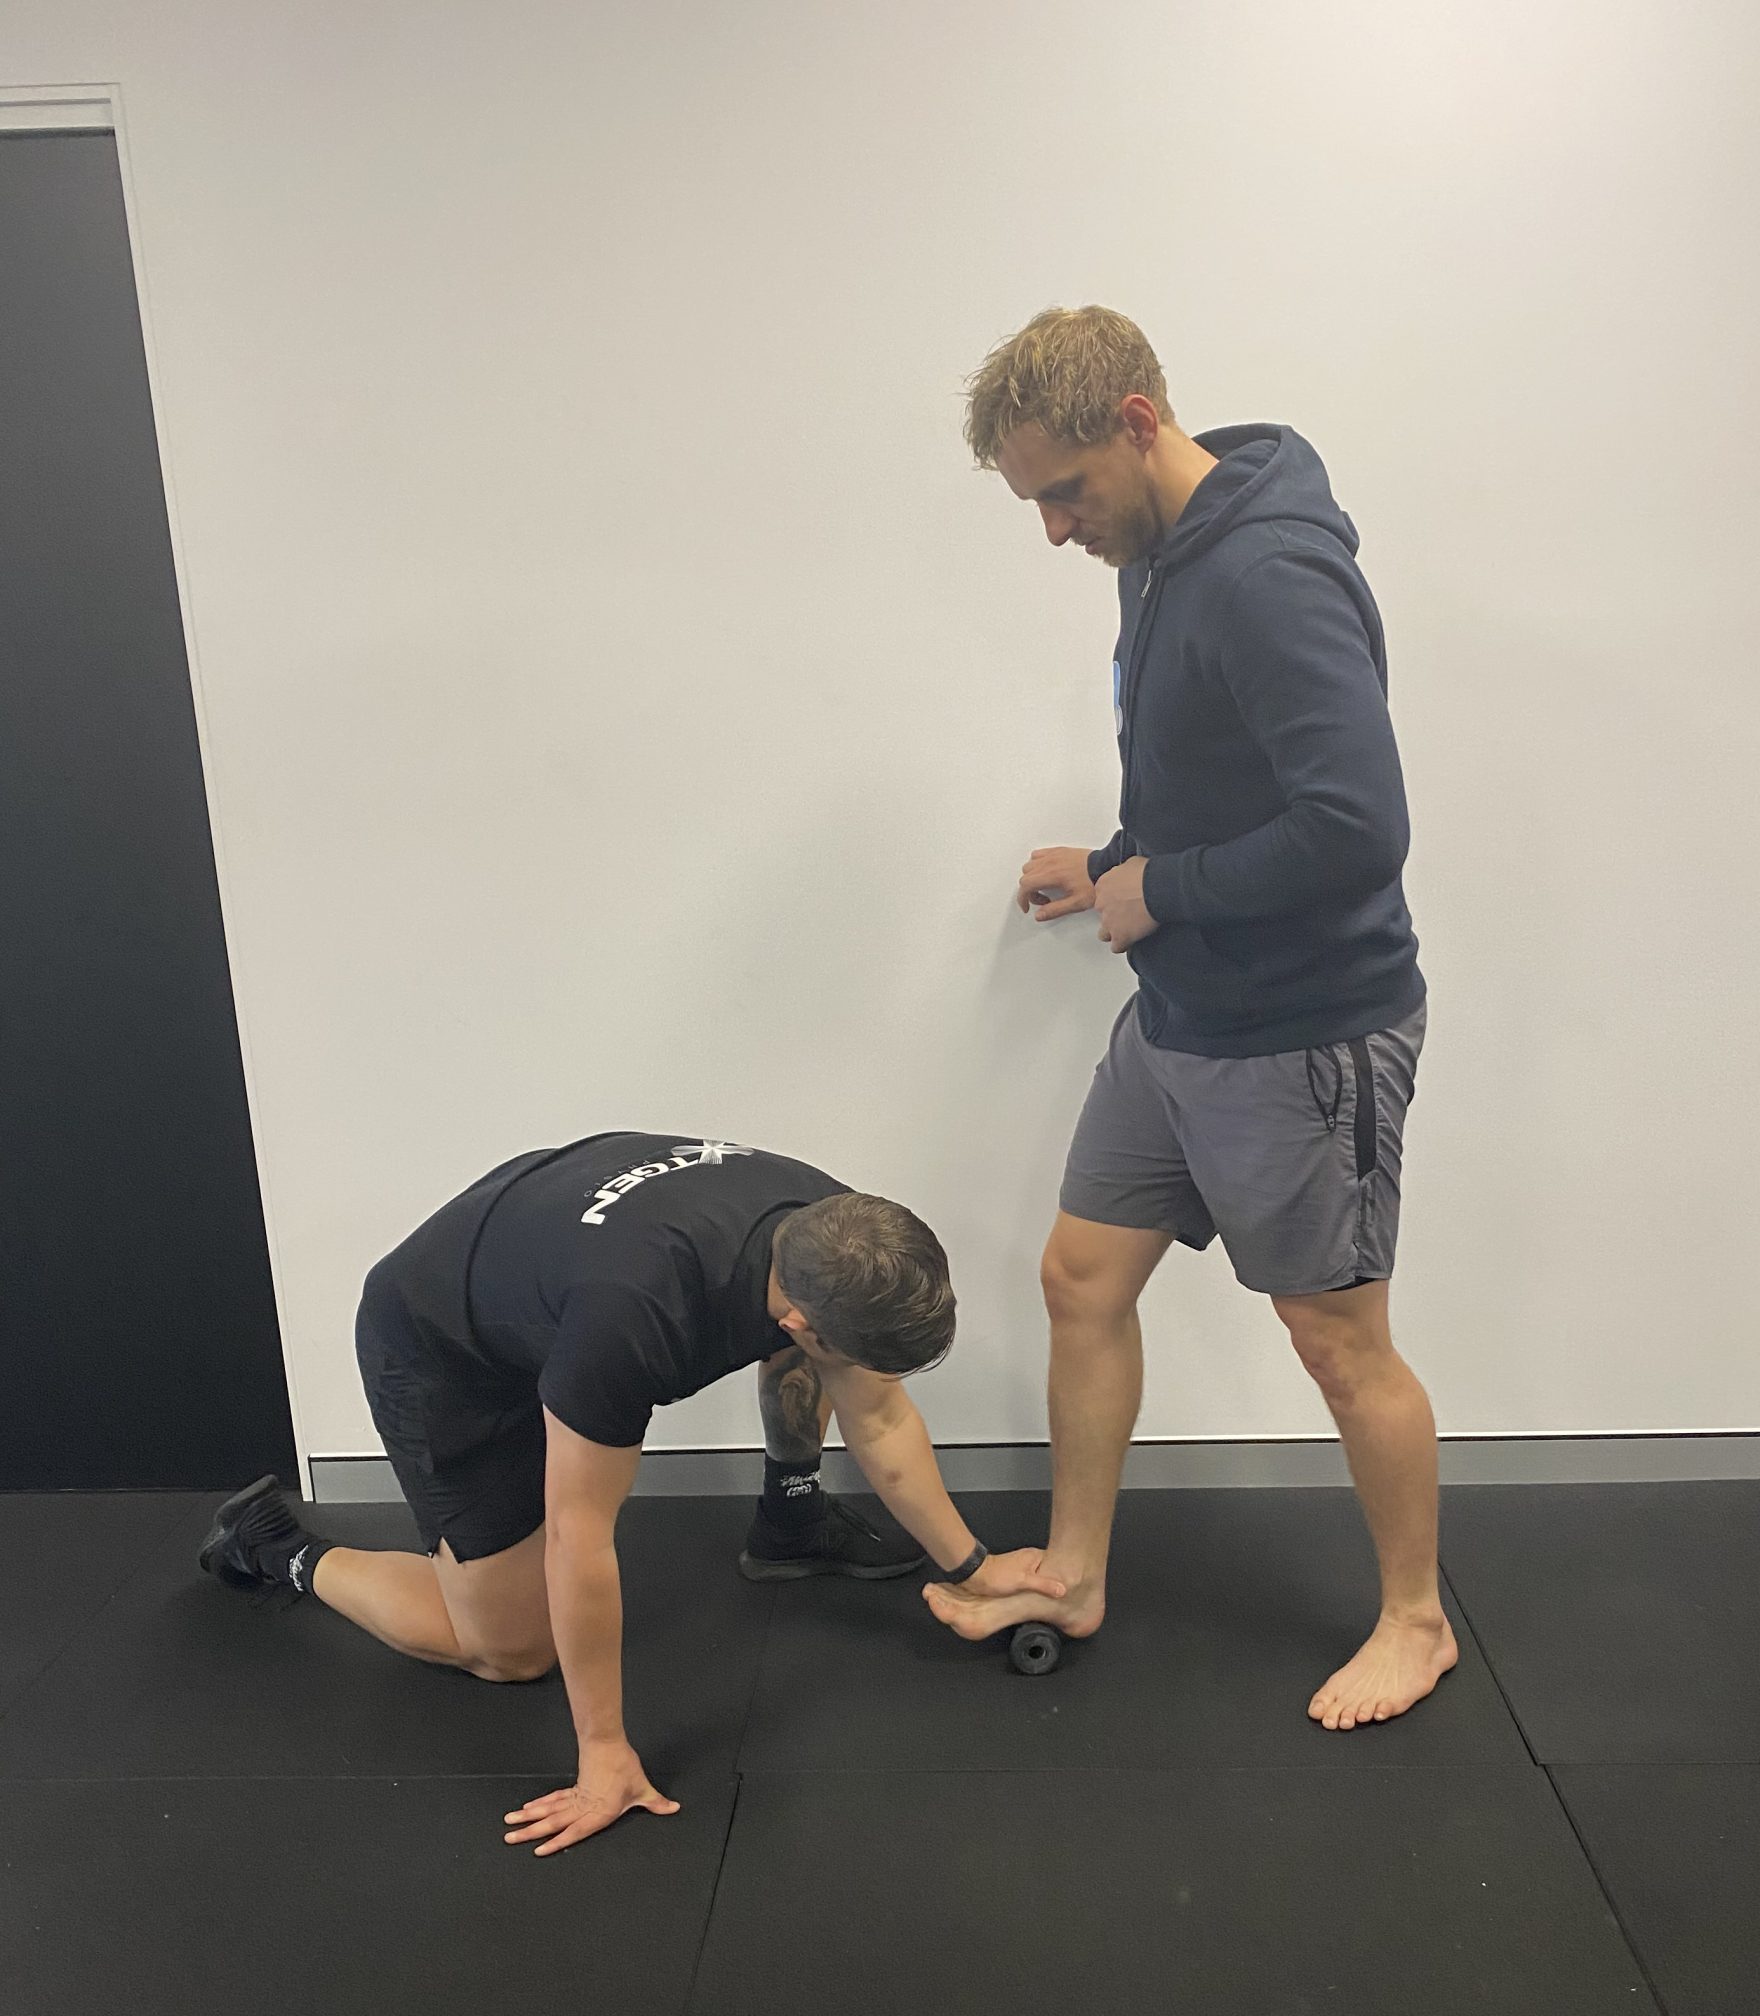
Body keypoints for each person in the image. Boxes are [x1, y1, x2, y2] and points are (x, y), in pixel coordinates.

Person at [927, 307, 1451, 1731]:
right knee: (1080, 1279)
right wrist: (1112, 864)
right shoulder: (1155, 555)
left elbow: (1358, 828)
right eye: (1034, 504)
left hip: (1303, 1032)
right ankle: (1076, 1572)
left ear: (1139, 423)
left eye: (1064, 492)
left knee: (1338, 1343)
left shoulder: (1269, 577)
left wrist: (1159, 890)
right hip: (1180, 1015)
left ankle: (1417, 1622)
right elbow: (1212, 774)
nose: (1055, 530)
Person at [200, 1131, 1061, 1851]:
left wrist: (974, 1566)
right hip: (440, 1347)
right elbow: (579, 1537)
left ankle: (791, 1523)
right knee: (508, 1649)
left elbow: (878, 1416)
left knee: (825, 1364)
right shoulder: (634, 1318)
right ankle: (277, 1547)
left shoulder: (832, 1228)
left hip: (550, 1277)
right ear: (798, 1316)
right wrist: (603, 1753)